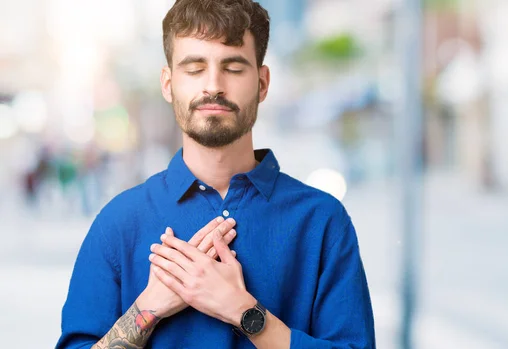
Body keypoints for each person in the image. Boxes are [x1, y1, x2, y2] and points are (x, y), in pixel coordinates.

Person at [56, 0, 375, 348]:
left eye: (233, 67)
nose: (213, 85)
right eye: (194, 68)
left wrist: (244, 312)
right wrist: (148, 307)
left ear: (263, 83)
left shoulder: (322, 221)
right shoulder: (118, 222)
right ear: (168, 84)